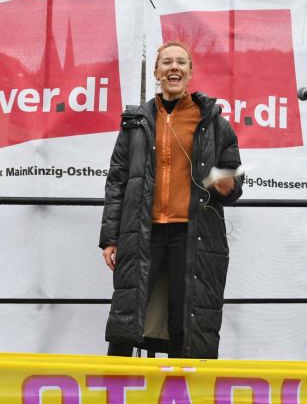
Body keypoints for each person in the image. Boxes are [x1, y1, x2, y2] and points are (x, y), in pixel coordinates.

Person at [99, 41, 242, 359]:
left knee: (186, 316)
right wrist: (110, 238)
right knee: (127, 314)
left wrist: (227, 185)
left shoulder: (215, 123)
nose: (173, 67)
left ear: (190, 72)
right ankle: (116, 391)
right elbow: (117, 181)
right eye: (166, 62)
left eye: (180, 62)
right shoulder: (135, 122)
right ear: (156, 72)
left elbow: (233, 181)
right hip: (142, 232)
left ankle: (180, 392)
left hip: (193, 232)